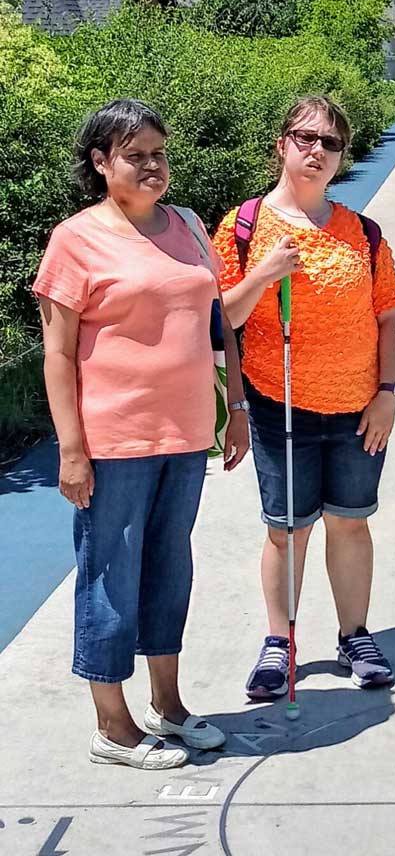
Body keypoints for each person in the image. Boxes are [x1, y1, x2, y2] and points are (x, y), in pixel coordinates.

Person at [34, 99, 249, 769]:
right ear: (101, 164)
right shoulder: (76, 238)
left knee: (167, 569)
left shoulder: (186, 225)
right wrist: (72, 449)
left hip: (184, 433)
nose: (153, 165)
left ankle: (169, 704)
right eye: (136, 155)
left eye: (159, 152)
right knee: (109, 575)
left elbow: (218, 326)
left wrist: (234, 408)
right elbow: (58, 353)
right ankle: (113, 726)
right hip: (114, 441)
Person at [213, 96, 395, 699]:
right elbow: (225, 322)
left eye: (330, 142)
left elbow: (392, 321)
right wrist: (265, 274)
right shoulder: (244, 227)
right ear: (281, 145)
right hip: (279, 406)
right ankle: (280, 642)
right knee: (287, 529)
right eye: (305, 138)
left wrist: (387, 394)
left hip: (357, 408)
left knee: (350, 524)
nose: (317, 150)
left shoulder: (362, 233)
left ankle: (355, 635)